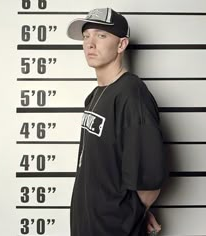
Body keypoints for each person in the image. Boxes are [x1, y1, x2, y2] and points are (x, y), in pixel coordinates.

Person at [67, 7, 167, 236]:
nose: (90, 43)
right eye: (86, 36)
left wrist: (131, 217)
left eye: (101, 36)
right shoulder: (95, 96)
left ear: (121, 45)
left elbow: (149, 181)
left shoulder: (132, 94)